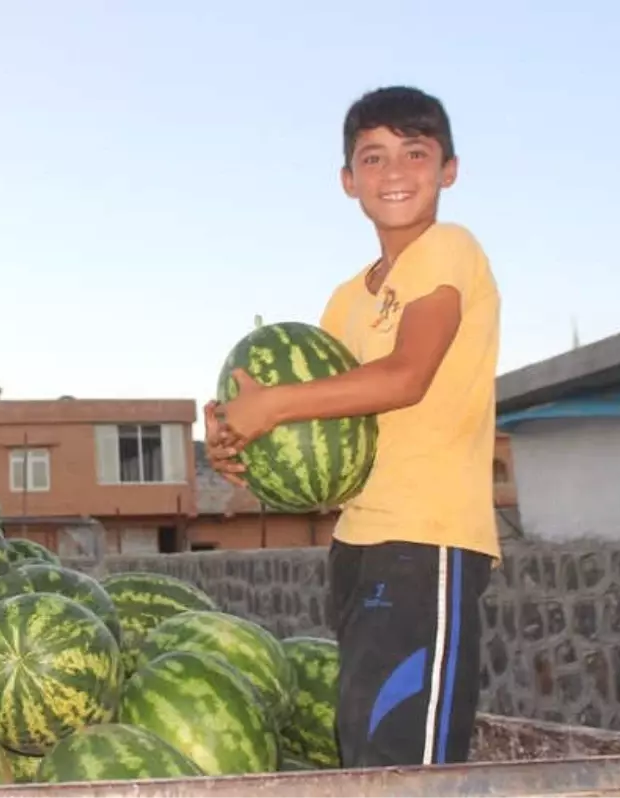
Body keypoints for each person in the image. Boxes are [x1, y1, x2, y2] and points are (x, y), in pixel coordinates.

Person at [204, 85, 500, 768]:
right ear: (348, 181)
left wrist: (272, 406)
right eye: (373, 157)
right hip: (357, 544)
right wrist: (239, 445)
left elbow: (407, 375)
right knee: (368, 754)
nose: (394, 172)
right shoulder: (344, 301)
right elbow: (324, 443)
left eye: (415, 153)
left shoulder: (450, 249)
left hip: (429, 542)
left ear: (448, 170)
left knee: (407, 765)